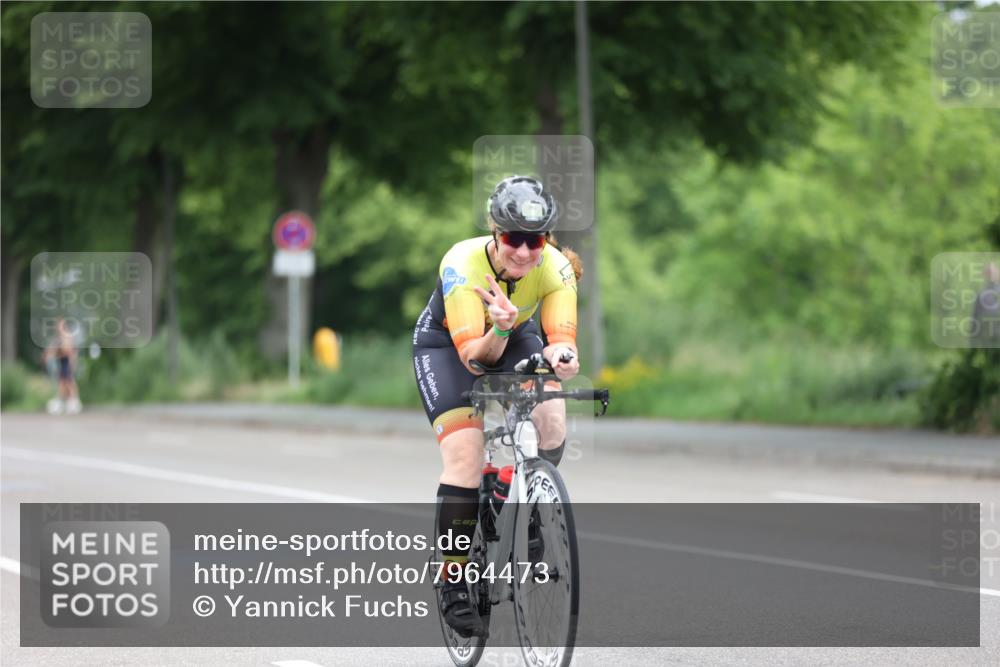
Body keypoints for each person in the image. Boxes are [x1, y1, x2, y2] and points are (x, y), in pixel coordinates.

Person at [412, 175, 583, 636]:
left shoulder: (555, 267)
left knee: (552, 419)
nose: (525, 252)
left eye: (536, 240)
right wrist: (503, 330)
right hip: (450, 349)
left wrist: (560, 356)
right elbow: (475, 361)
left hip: (511, 333)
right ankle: (452, 579)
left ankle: (521, 497)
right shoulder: (462, 264)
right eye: (514, 239)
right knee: (466, 458)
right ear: (494, 231)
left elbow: (560, 338)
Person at [42, 318, 81, 415]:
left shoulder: (67, 336)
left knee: (68, 382)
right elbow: (52, 349)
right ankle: (64, 402)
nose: (58, 328)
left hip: (67, 361)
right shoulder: (58, 338)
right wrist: (48, 354)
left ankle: (73, 403)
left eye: (60, 325)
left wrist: (55, 354)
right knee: (62, 383)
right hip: (62, 362)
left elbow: (68, 351)